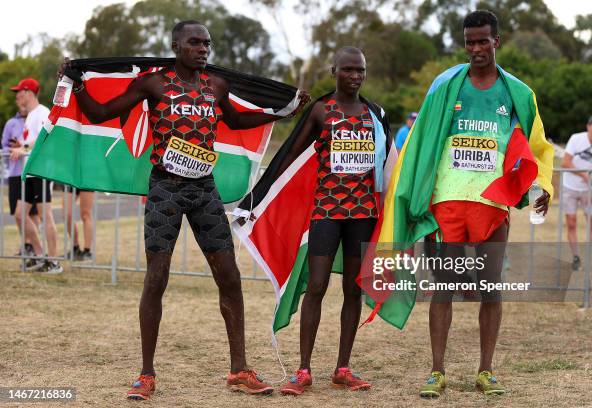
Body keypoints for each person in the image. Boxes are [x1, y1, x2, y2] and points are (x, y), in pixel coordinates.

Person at [61, 20, 309, 400]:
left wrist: (280, 113)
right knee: (156, 278)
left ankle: (239, 370)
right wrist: (77, 84)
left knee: (229, 276)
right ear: (176, 45)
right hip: (165, 189)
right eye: (194, 43)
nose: (203, 49)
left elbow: (236, 120)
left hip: (204, 190)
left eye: (206, 43)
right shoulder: (154, 84)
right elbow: (99, 114)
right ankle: (146, 375)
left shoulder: (216, 86)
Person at [373, 10, 554, 397]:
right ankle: (437, 372)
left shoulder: (518, 93)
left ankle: (485, 372)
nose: (475, 48)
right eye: (469, 42)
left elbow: (535, 146)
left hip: (492, 207)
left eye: (482, 41)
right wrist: (410, 193)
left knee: (491, 288)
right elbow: (420, 142)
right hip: (447, 205)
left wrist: (542, 187)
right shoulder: (445, 87)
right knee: (444, 287)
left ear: (496, 42)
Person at [277, 47, 390, 395]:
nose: (355, 76)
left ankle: (343, 367)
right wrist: (263, 194)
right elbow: (289, 155)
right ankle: (303, 370)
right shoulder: (321, 111)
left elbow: (388, 166)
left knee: (353, 289)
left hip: (363, 215)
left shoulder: (375, 114)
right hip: (327, 213)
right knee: (317, 286)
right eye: (348, 70)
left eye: (361, 70)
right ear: (334, 71)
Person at [9, 78, 62, 273]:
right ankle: (39, 255)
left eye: (19, 92)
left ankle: (54, 261)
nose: (17, 96)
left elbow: (43, 136)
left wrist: (23, 147)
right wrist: (21, 147)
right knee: (19, 214)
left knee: (45, 215)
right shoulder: (31, 115)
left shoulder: (43, 112)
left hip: (42, 171)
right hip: (30, 172)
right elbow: (31, 141)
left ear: (28, 93)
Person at [561, 115, 592, 272]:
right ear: (588, 126)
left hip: (589, 190)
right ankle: (576, 258)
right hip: (569, 187)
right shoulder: (576, 139)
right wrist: (584, 175)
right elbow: (565, 162)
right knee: (571, 223)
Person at [1, 101, 40, 257]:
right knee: (18, 213)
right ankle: (26, 244)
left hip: (31, 173)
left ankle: (33, 247)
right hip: (16, 173)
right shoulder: (11, 123)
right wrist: (15, 149)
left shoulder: (35, 119)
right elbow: (4, 145)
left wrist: (23, 146)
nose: (23, 105)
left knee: (33, 213)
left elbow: (33, 143)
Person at [62, 187, 94, 261]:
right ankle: (75, 248)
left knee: (85, 214)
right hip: (71, 177)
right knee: (66, 214)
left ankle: (87, 251)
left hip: (87, 178)